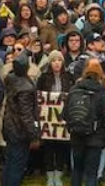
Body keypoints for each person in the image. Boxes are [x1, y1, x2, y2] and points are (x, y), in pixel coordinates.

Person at [65, 58, 105, 186]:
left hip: (76, 135)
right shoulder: (101, 91)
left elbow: (65, 114)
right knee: (91, 174)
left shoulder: (74, 89)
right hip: (95, 137)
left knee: (77, 170)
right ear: (100, 74)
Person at [1, 52, 40, 186]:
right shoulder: (25, 88)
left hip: (10, 126)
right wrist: (34, 135)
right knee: (17, 166)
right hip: (20, 131)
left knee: (9, 162)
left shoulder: (10, 79)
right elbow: (26, 115)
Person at [37, 50, 74, 186]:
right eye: (53, 60)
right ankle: (49, 175)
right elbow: (38, 96)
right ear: (50, 63)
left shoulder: (69, 76)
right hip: (48, 119)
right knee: (48, 147)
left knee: (62, 147)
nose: (56, 63)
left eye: (59, 60)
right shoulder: (43, 77)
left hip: (64, 117)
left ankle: (58, 174)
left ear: (62, 62)